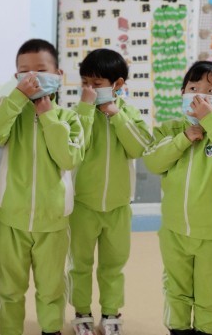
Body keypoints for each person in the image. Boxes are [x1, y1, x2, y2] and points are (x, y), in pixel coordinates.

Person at [0, 38, 84, 335]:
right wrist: (15, 99)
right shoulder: (10, 110)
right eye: (24, 72)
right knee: (9, 287)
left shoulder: (69, 118)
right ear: (16, 78)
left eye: (41, 69)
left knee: (51, 288)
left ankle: (51, 329)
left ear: (58, 74)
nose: (33, 76)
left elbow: (69, 157)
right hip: (12, 217)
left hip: (53, 220)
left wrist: (47, 115)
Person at [143, 61, 212, 335]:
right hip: (174, 231)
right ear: (183, 92)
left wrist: (211, 121)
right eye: (194, 88)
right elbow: (153, 163)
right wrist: (183, 138)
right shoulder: (169, 129)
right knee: (176, 290)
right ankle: (178, 330)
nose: (201, 95)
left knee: (209, 295)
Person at [68, 49, 152, 335]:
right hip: (82, 204)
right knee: (79, 264)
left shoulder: (128, 114)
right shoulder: (78, 113)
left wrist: (115, 116)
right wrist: (86, 110)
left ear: (117, 84)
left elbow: (140, 147)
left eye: (96, 83)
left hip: (118, 206)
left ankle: (111, 313)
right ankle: (81, 312)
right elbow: (72, 148)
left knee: (113, 265)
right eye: (85, 83)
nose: (89, 89)